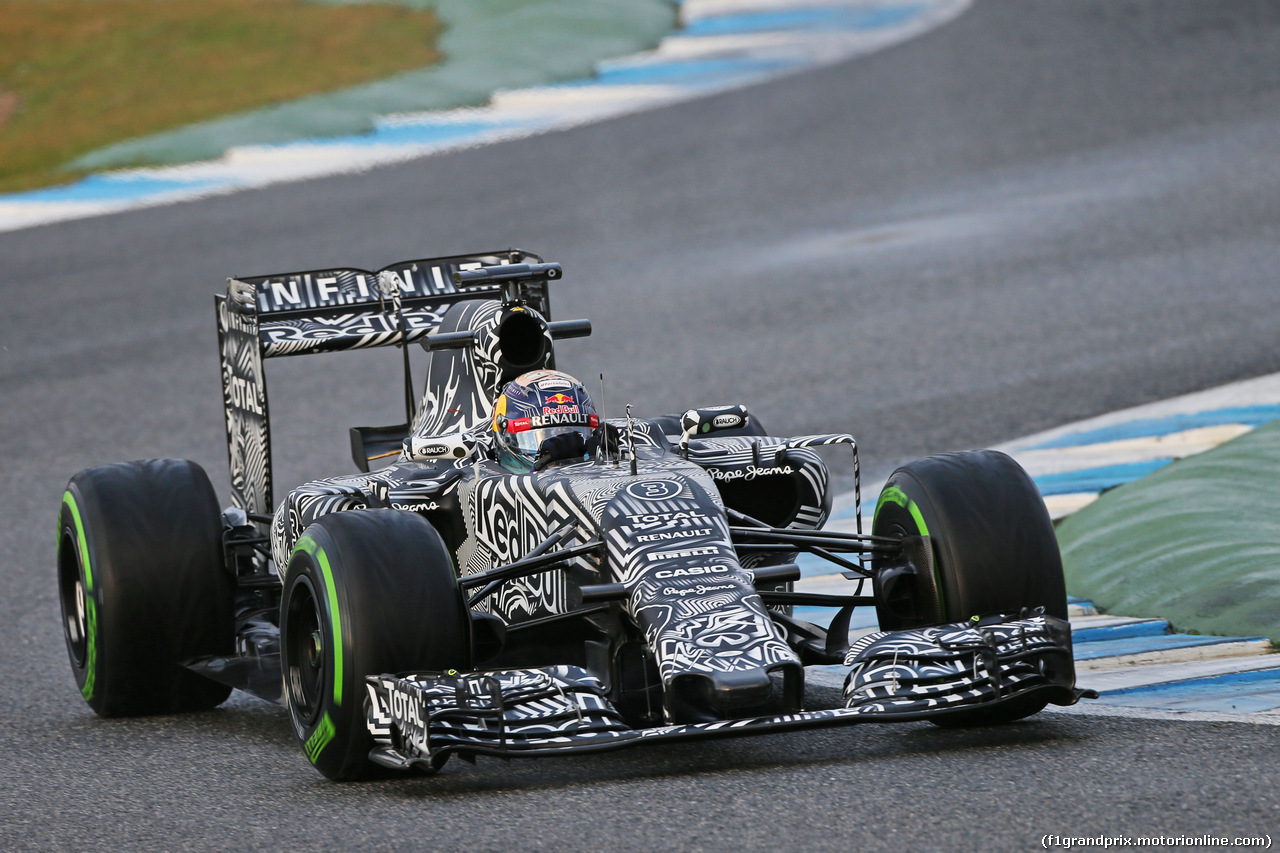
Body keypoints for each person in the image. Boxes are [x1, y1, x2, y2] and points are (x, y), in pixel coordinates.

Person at [490, 370, 599, 473]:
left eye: (571, 431)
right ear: (505, 435)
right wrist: (544, 460)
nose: (562, 454)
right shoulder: (482, 479)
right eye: (543, 435)